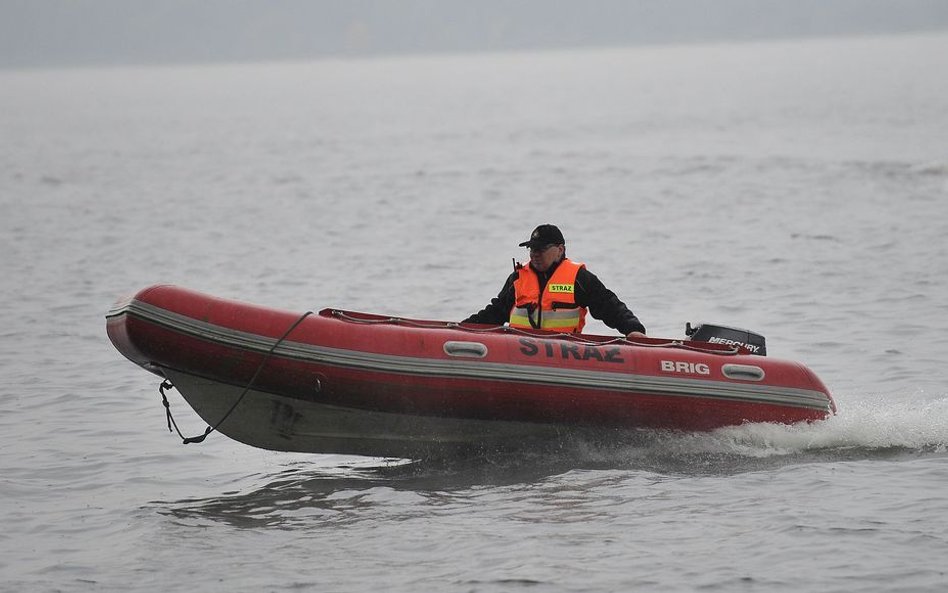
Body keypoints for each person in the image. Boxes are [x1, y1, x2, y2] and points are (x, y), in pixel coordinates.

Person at [464, 224, 646, 338]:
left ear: (560, 250)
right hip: (519, 351)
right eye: (531, 249)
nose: (534, 254)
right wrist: (462, 329)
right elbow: (495, 312)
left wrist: (633, 328)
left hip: (563, 354)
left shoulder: (578, 278)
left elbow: (609, 306)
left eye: (540, 249)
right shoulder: (518, 278)